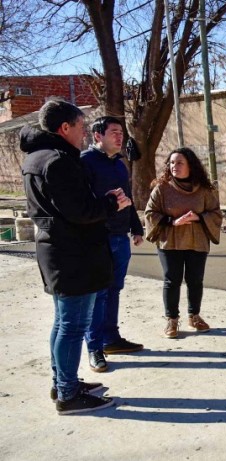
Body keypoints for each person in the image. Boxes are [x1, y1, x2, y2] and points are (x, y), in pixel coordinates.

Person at [21, 100, 131, 414]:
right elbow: (81, 212)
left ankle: (63, 382)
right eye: (82, 125)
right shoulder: (57, 161)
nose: (85, 131)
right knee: (72, 325)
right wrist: (112, 204)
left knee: (63, 323)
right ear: (64, 127)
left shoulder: (37, 158)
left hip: (58, 252)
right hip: (73, 255)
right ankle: (68, 395)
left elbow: (66, 208)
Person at [80, 116, 145, 374]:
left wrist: (136, 226)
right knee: (98, 294)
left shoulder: (120, 164)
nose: (120, 137)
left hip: (120, 236)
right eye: (114, 132)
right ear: (98, 136)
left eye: (121, 132)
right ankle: (94, 347)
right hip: (98, 239)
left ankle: (111, 338)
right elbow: (83, 203)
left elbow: (126, 196)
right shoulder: (85, 162)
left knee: (114, 290)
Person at [144, 147, 223, 339]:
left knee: (195, 280)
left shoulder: (205, 190)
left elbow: (216, 213)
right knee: (172, 280)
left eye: (179, 163)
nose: (174, 166)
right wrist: (173, 221)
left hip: (197, 242)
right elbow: (149, 213)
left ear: (190, 165)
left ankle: (194, 316)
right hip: (170, 241)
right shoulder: (162, 188)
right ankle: (172, 320)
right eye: (171, 163)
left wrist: (199, 216)